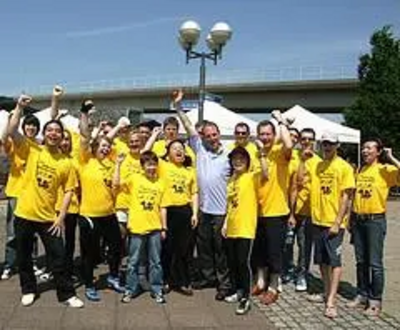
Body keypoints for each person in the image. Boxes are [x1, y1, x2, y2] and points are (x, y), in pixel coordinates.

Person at [7, 94, 84, 308]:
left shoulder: (66, 162)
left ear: (62, 136)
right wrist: (19, 107)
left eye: (57, 131)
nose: (53, 133)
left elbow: (69, 191)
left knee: (58, 257)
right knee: (24, 256)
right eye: (50, 130)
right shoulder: (32, 149)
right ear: (45, 134)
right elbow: (13, 130)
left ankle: (66, 294)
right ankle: (28, 289)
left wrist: (60, 217)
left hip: (49, 217)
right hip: (24, 213)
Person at [173, 90, 231, 301]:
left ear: (219, 134)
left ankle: (224, 283)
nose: (211, 138)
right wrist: (178, 106)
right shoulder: (200, 149)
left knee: (220, 250)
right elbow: (188, 127)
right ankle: (208, 277)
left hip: (221, 212)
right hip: (203, 210)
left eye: (214, 135)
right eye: (207, 136)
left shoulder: (229, 155)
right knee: (204, 248)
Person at [1, 86, 61, 280]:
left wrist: (54, 99)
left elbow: (52, 121)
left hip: (34, 195)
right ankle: (10, 264)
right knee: (12, 234)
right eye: (28, 125)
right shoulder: (18, 143)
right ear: (23, 127)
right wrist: (19, 108)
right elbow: (8, 132)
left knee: (31, 233)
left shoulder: (40, 146)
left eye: (34, 126)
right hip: (16, 193)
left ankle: (31, 262)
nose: (31, 128)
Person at [299, 132, 355, 319]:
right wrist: (302, 160)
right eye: (324, 144)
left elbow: (346, 197)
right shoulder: (317, 166)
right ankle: (325, 292)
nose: (327, 147)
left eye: (331, 144)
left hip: (333, 223)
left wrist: (338, 222)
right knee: (322, 261)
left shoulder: (344, 167)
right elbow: (300, 181)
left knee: (335, 262)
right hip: (317, 221)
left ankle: (332, 300)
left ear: (337, 145)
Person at [347, 139, 400, 316]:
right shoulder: (360, 170)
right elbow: (354, 196)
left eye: (369, 148)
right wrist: (350, 219)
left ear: (378, 152)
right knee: (360, 261)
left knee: (375, 263)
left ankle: (375, 300)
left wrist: (391, 157)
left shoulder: (385, 170)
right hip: (358, 220)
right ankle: (362, 293)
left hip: (375, 221)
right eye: (364, 148)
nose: (365, 151)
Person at [78, 100, 124, 302]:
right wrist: (85, 113)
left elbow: (115, 186)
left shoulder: (111, 163)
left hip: (109, 214)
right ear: (95, 147)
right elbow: (84, 136)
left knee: (116, 248)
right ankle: (89, 284)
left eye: (108, 147)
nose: (106, 148)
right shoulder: (85, 160)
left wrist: (117, 166)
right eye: (103, 146)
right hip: (89, 215)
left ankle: (113, 277)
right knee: (91, 254)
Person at [251, 111, 293, 306]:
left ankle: (274, 286)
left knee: (274, 252)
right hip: (258, 212)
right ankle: (260, 281)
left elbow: (289, 144)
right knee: (259, 250)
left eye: (268, 134)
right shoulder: (255, 154)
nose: (265, 137)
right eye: (262, 134)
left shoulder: (278, 153)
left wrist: (281, 121)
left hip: (276, 212)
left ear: (273, 135)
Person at [114, 151, 167, 304]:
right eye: (148, 165)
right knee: (133, 261)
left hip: (155, 228)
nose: (151, 167)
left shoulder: (161, 182)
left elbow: (163, 207)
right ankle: (130, 289)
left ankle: (157, 289)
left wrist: (164, 227)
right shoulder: (135, 178)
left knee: (155, 262)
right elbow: (116, 184)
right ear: (142, 166)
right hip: (137, 227)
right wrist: (117, 164)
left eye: (153, 164)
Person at [222, 144, 268, 315]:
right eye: (235, 159)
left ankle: (245, 298)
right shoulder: (231, 180)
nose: (238, 162)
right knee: (233, 263)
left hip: (246, 228)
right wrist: (226, 223)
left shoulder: (251, 177)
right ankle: (237, 290)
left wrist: (262, 153)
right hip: (232, 227)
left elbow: (265, 173)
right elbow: (230, 205)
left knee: (243, 263)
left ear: (247, 162)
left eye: (241, 159)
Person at [157, 139, 198, 295]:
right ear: (168, 153)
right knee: (167, 248)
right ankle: (166, 280)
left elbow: (194, 193)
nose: (179, 151)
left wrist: (194, 213)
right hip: (167, 212)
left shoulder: (190, 171)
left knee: (185, 249)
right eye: (174, 148)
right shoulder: (163, 166)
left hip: (185, 212)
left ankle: (184, 281)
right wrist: (156, 136)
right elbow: (144, 154)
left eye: (181, 148)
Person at [284, 128, 320, 292]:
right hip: (290, 208)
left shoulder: (319, 162)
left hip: (308, 212)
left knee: (305, 245)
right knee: (287, 243)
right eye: (303, 138)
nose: (306, 141)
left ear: (314, 140)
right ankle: (288, 269)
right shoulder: (293, 156)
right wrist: (291, 212)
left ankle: (302, 274)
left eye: (309, 139)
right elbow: (293, 186)